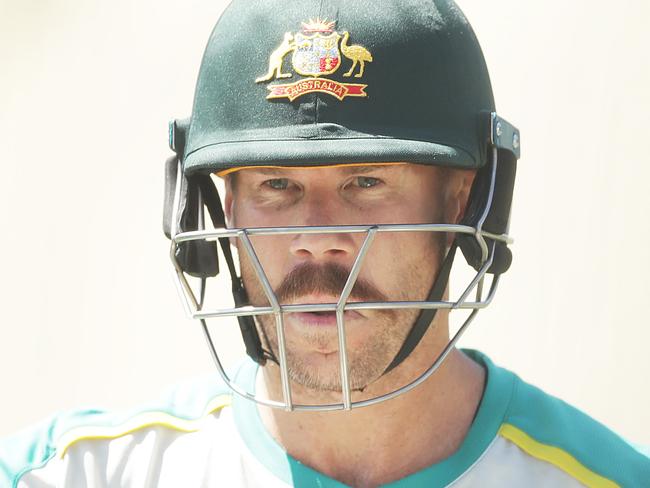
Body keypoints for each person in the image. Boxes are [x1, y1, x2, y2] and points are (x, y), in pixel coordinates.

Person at [1, 0, 649, 486]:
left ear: (466, 201)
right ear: (220, 209)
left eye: (366, 182)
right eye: (277, 184)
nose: (316, 236)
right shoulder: (71, 475)